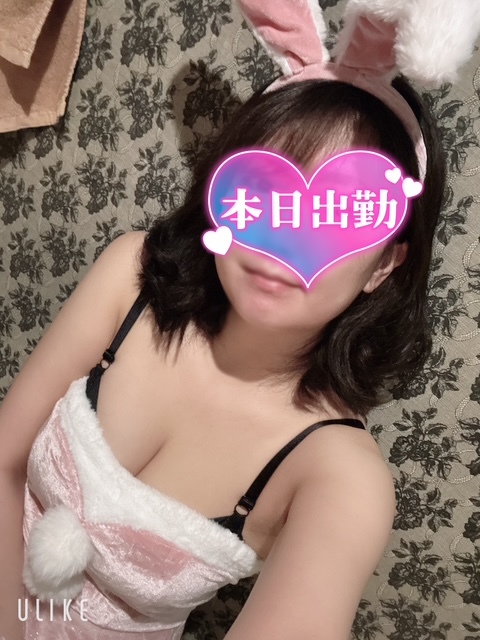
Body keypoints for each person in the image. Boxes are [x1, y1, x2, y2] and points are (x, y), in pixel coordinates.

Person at [1, 0, 468, 637]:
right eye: (263, 190)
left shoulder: (337, 478)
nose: (283, 238)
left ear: (385, 263)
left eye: (339, 214)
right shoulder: (130, 275)